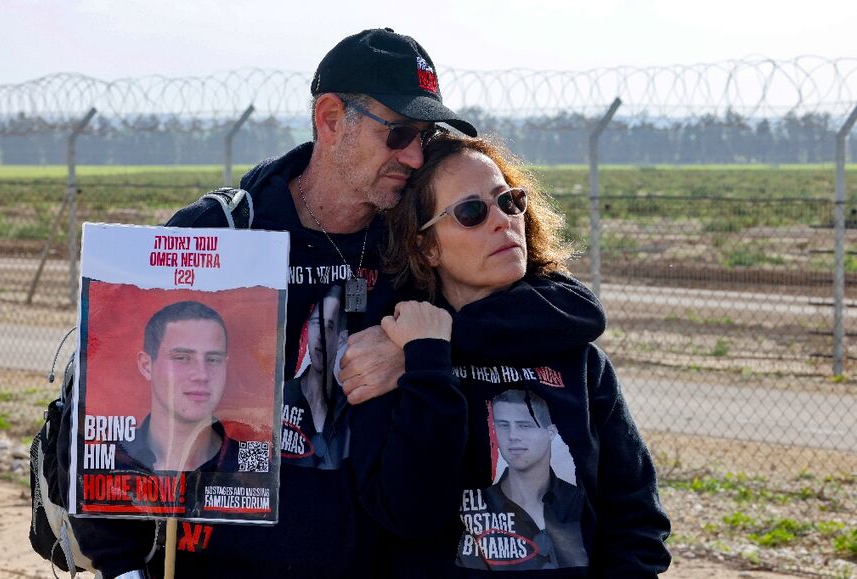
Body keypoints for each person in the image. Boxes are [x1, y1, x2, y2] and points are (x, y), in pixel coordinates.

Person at [67, 28, 477, 578]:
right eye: (398, 132)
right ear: (331, 119)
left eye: (424, 137)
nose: (413, 156)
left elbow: (555, 310)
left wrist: (421, 350)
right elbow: (100, 396)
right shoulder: (224, 230)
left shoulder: (415, 240)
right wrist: (121, 567)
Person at [378, 131, 671, 576]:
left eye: (509, 201)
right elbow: (410, 515)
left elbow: (636, 516)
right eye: (471, 212)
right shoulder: (401, 357)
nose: (502, 221)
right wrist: (430, 365)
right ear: (426, 246)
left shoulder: (579, 360)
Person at [457, 390, 587, 570]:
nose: (512, 436)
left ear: (551, 432)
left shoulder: (579, 502)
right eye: (503, 425)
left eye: (524, 426)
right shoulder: (475, 508)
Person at [120, 300, 239, 473]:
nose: (202, 375)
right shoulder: (111, 459)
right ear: (147, 366)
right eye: (182, 358)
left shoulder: (255, 463)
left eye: (213, 359)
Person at [282, 285, 351, 469]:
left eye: (329, 327)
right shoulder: (279, 397)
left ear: (342, 339)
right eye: (315, 324)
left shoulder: (348, 407)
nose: (320, 335)